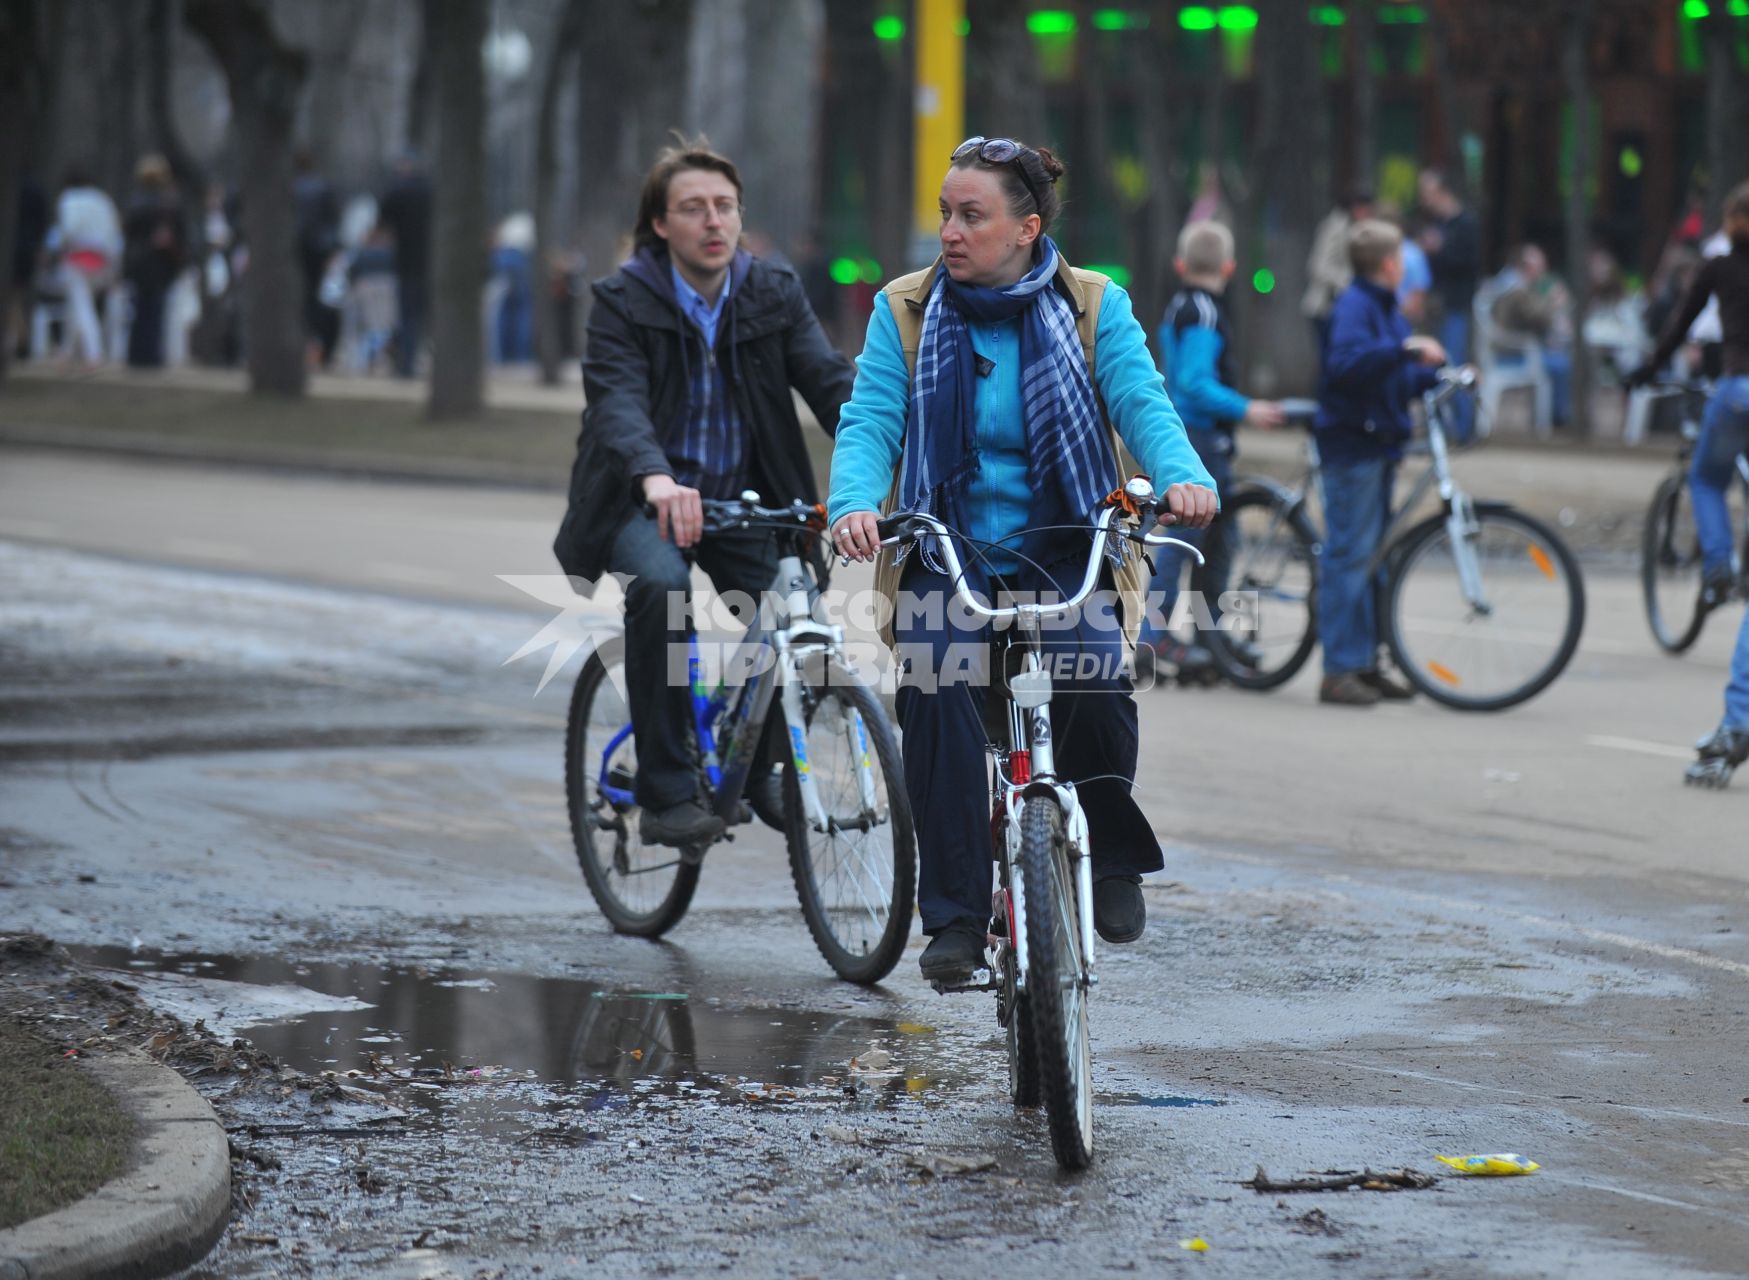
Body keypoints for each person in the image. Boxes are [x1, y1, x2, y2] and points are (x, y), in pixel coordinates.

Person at [828, 136, 1218, 981]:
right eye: (944, 213)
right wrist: (855, 502)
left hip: (1062, 541)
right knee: (931, 688)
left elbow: (1141, 401)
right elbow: (870, 419)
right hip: (947, 546)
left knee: (1093, 675)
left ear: (1027, 228)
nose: (950, 232)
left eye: (972, 216)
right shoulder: (902, 308)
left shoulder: (1091, 304)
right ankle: (958, 918)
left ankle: (1109, 858)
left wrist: (1181, 476)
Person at [551, 139, 854, 848]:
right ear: (661, 224)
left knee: (795, 607)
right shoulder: (621, 301)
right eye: (693, 209)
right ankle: (664, 792)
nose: (712, 222)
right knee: (661, 588)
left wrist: (888, 457)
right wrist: (655, 478)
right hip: (642, 499)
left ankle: (760, 763)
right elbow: (617, 404)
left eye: (724, 207)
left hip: (744, 501)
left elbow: (828, 383)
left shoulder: (772, 291)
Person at [1314, 219, 1447, 707]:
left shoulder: (1384, 309)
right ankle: (1339, 670)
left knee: (1375, 558)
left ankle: (1366, 662)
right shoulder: (1356, 306)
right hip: (1354, 449)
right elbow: (1346, 367)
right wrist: (1405, 349)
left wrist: (1435, 377)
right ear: (1391, 264)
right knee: (1350, 557)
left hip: (1378, 444)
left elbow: (1390, 376)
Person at [1143, 219, 1283, 680]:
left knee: (1220, 541)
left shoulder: (1179, 306)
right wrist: (1247, 408)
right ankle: (1155, 636)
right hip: (1198, 439)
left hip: (1201, 438)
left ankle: (1212, 636)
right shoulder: (1203, 312)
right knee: (1184, 542)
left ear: (1181, 264)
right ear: (1230, 266)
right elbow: (1195, 383)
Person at [1630, 182, 1749, 618]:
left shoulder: (1719, 266)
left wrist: (1650, 366)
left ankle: (1718, 569)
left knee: (1706, 479)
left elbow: (1680, 322)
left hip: (1740, 387)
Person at [1418, 169, 1479, 435]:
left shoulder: (1465, 223)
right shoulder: (1440, 225)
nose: (1424, 200)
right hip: (1441, 306)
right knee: (1439, 366)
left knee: (1454, 365)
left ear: (1442, 192)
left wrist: (1438, 251)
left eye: (1428, 193)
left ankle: (1465, 428)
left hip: (1457, 304)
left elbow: (1469, 264)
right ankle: (1443, 425)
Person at [1490, 244, 1573, 426]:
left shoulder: (1516, 284)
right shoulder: (1516, 289)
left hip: (1517, 349)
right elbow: (1538, 318)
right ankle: (1560, 419)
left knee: (1562, 361)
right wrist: (1554, 301)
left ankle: (1556, 416)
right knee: (1564, 365)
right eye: (1539, 265)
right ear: (1527, 266)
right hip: (1516, 353)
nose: (1543, 270)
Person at [47, 166, 122, 365]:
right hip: (102, 261)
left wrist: (60, 249)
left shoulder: (69, 199)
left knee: (82, 306)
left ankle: (93, 352)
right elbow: (113, 236)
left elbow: (67, 231)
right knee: (78, 304)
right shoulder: (103, 200)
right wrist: (114, 266)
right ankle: (67, 351)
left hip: (77, 258)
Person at [121, 154, 186, 369]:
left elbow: (128, 233)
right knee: (155, 310)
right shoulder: (168, 204)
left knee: (139, 310)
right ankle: (152, 355)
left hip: (139, 262)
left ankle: (136, 355)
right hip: (159, 263)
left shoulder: (136, 203)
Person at [377, 153, 432, 378]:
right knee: (421, 316)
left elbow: (381, 225)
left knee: (407, 314)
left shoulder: (397, 192)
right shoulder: (432, 192)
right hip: (431, 263)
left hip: (406, 261)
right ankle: (412, 359)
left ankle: (405, 364)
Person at [1303, 186, 1374, 349]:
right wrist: (1347, 282)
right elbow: (1318, 266)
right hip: (1326, 307)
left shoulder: (1358, 227)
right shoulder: (1335, 227)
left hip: (1344, 306)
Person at [293, 147, 342, 369]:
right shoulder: (323, 188)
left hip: (296, 249)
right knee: (316, 299)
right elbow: (332, 222)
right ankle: (316, 349)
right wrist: (332, 250)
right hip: (318, 249)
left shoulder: (290, 188)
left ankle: (301, 346)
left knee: (299, 300)